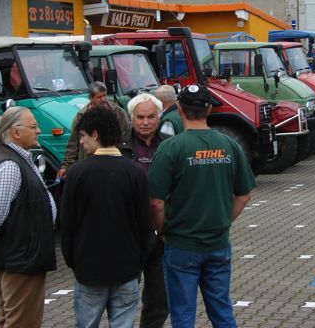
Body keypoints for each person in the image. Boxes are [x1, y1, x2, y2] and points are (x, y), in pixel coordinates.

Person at [149, 84, 256, 328]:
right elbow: (244, 195)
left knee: (183, 313)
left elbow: (155, 201)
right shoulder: (230, 145)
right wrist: (223, 221)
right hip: (218, 242)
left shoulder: (170, 148)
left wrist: (162, 230)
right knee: (221, 311)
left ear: (179, 110)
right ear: (208, 108)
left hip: (180, 243)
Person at [0, 107, 57, 328]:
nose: (38, 131)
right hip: (22, 259)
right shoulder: (9, 165)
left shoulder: (11, 157)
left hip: (20, 256)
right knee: (21, 322)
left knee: (11, 319)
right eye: (33, 127)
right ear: (15, 132)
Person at [60, 105, 150, 328]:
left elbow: (68, 224)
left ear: (95, 134)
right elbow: (145, 225)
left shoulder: (78, 173)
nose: (81, 142)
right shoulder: (136, 172)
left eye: (82, 135)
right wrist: (139, 260)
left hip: (89, 269)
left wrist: (73, 260)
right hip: (127, 269)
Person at [119, 93, 169, 328]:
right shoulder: (118, 147)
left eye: (151, 116)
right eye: (140, 117)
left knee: (160, 298)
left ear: (159, 118)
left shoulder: (170, 144)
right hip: (129, 233)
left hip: (161, 233)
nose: (145, 122)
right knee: (123, 296)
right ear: (131, 118)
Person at [58, 81, 131, 178]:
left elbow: (127, 137)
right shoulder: (81, 116)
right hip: (88, 165)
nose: (104, 99)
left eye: (105, 95)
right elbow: (73, 144)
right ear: (90, 98)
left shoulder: (118, 112)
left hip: (113, 165)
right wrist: (66, 166)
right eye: (99, 97)